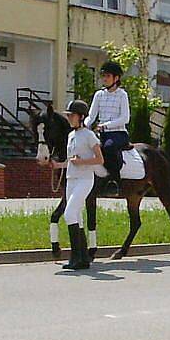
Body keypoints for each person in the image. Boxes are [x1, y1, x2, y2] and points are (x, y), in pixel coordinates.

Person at [51, 100, 104, 270]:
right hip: (71, 179)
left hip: (85, 179)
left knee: (69, 214)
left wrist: (83, 162)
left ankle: (75, 257)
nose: (69, 118)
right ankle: (83, 259)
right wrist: (59, 165)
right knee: (77, 217)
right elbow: (71, 161)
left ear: (81, 117)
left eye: (72, 115)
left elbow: (99, 159)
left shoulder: (89, 135)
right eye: (68, 115)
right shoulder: (71, 136)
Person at [85, 61, 130, 195]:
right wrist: (83, 126)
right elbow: (91, 116)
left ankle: (114, 181)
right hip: (101, 133)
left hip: (118, 133)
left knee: (109, 147)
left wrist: (105, 125)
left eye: (108, 76)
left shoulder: (122, 95)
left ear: (116, 78)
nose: (104, 79)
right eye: (103, 76)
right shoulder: (99, 95)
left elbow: (125, 118)